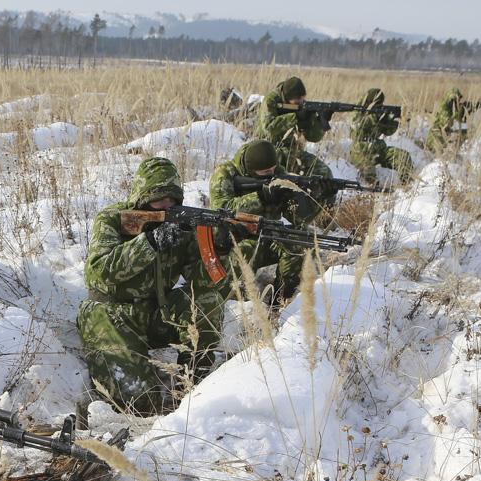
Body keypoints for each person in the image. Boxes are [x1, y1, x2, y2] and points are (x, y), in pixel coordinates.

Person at [77, 157, 230, 414]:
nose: (166, 205)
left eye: (172, 200)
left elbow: (206, 282)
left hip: (156, 314)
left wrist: (222, 247)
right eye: (159, 199)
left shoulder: (182, 225)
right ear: (142, 197)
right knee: (138, 400)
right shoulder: (112, 219)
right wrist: (150, 242)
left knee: (207, 303)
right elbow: (97, 273)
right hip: (110, 315)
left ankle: (193, 386)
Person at [208, 139, 305, 304]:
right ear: (251, 171)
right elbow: (223, 210)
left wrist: (309, 199)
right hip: (233, 240)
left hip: (267, 235)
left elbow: (296, 218)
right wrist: (260, 197)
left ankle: (281, 301)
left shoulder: (277, 173)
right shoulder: (224, 175)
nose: (272, 174)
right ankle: (242, 305)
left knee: (296, 243)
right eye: (266, 171)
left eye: (274, 169)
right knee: (245, 251)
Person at [252, 75, 338, 220]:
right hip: (269, 151)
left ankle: (325, 217)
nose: (301, 103)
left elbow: (313, 137)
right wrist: (295, 117)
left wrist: (320, 120)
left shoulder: (301, 107)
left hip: (292, 151)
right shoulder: (271, 100)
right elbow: (269, 127)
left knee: (324, 173)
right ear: (287, 97)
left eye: (303, 99)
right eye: (298, 100)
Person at [348, 88, 414, 186]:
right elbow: (356, 128)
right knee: (368, 169)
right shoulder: (357, 111)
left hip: (378, 147)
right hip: (360, 149)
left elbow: (388, 131)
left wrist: (394, 119)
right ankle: (372, 192)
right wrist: (374, 117)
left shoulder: (380, 111)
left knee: (403, 156)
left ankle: (407, 185)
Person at [426, 87, 481, 154]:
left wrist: (465, 112)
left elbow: (460, 129)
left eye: (459, 99)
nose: (458, 101)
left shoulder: (452, 108)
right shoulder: (444, 108)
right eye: (455, 100)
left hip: (443, 141)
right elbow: (448, 124)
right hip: (435, 141)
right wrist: (459, 114)